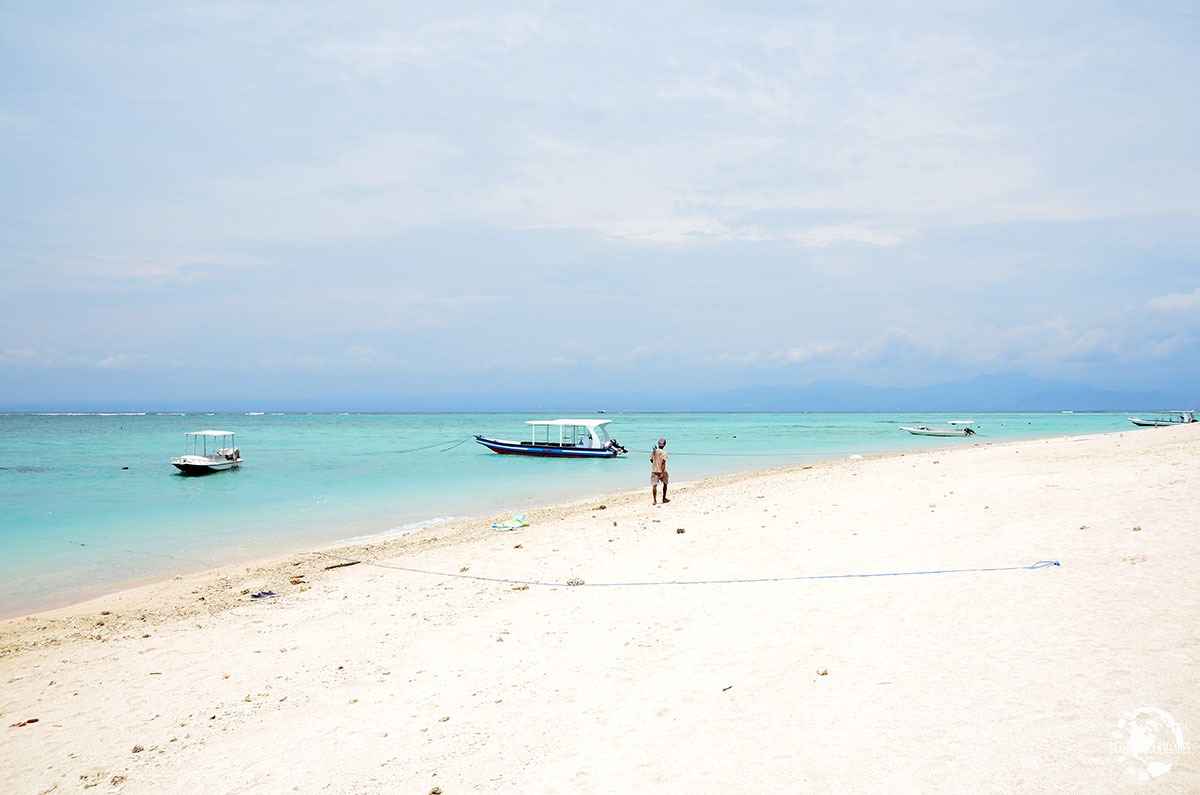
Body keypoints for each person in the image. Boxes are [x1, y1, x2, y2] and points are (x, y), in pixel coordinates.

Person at [650, 438, 669, 504]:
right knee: (665, 484)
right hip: (661, 471)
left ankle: (655, 500)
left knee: (654, 486)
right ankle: (664, 498)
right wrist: (662, 473)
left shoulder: (653, 451)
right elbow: (663, 463)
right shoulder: (665, 453)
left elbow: (651, 460)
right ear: (664, 445)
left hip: (654, 470)